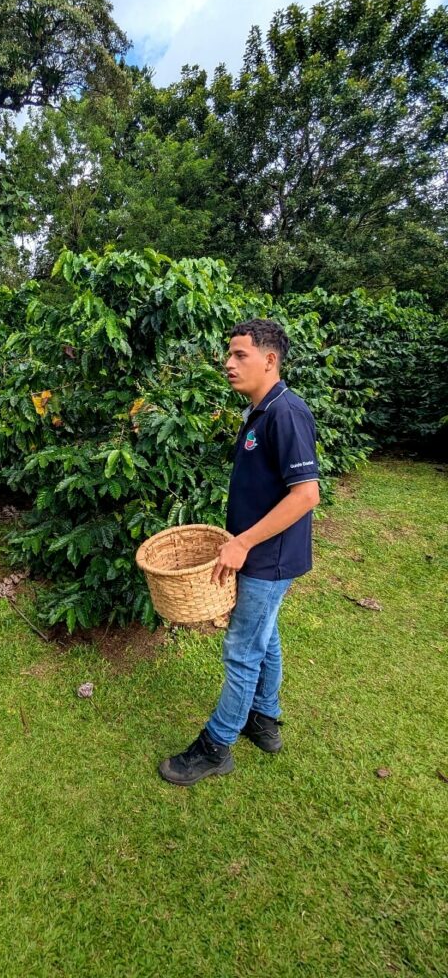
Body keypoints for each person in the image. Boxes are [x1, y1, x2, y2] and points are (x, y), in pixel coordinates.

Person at [159, 319, 320, 787]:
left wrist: (244, 542)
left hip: (268, 557)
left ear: (269, 360)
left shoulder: (286, 412)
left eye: (239, 355)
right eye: (228, 355)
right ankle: (264, 720)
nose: (228, 364)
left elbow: (306, 495)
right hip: (260, 555)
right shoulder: (261, 410)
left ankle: (216, 746)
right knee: (264, 636)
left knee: (242, 650)